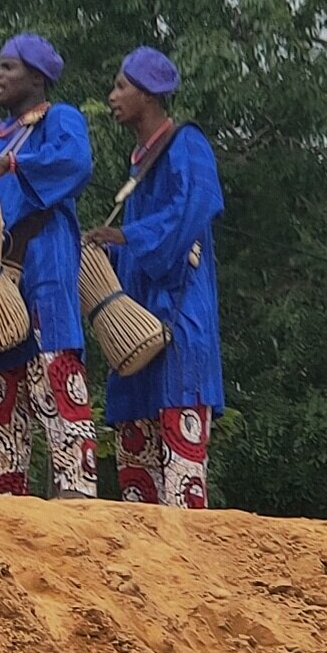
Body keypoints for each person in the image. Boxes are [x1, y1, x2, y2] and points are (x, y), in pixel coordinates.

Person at [84, 47, 224, 508]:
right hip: (136, 320)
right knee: (135, 464)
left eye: (122, 86)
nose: (112, 96)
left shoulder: (187, 144)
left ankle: (189, 569)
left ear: (148, 94)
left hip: (180, 318)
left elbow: (193, 208)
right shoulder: (137, 162)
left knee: (181, 475)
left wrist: (126, 235)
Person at [0, 33, 97, 498]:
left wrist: (10, 165)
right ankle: (2, 488)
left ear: (37, 77)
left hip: (43, 259)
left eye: (8, 68)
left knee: (51, 362)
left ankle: (75, 485)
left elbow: (75, 162)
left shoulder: (61, 118)